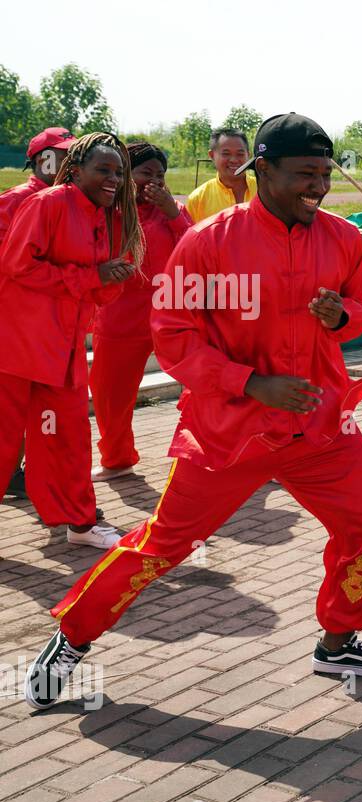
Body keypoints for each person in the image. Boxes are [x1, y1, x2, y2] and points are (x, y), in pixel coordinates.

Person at [26, 113, 362, 712]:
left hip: (319, 423)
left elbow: (360, 307)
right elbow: (173, 335)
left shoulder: (340, 237)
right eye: (305, 174)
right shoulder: (209, 241)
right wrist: (251, 384)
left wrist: (342, 318)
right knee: (162, 546)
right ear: (264, 170)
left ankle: (338, 640)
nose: (319, 186)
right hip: (230, 433)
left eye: (325, 174)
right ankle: (71, 638)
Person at [0, 132, 138, 552]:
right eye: (103, 170)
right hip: (18, 344)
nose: (113, 179)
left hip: (64, 348)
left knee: (68, 439)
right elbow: (17, 265)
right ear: (74, 171)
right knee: (4, 442)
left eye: (118, 172)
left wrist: (111, 280)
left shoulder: (107, 215)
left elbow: (96, 288)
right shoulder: (46, 203)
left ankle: (79, 523)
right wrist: (92, 278)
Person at [88, 142, 193, 480]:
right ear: (124, 176)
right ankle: (117, 459)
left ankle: (203, 449)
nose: (154, 181)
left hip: (171, 312)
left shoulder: (172, 210)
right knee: (110, 395)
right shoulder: (106, 212)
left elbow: (196, 245)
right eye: (145, 173)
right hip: (119, 315)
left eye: (160, 175)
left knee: (200, 383)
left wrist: (173, 213)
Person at [0, 127, 76, 500]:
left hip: (50, 333)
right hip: (17, 333)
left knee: (47, 425)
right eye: (62, 154)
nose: (69, 161)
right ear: (41, 159)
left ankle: (48, 494)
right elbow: (13, 266)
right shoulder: (16, 200)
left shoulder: (70, 202)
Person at [183, 127, 257, 223]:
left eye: (240, 154)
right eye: (226, 154)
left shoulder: (264, 190)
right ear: (212, 155)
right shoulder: (198, 199)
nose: (234, 160)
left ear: (249, 155)